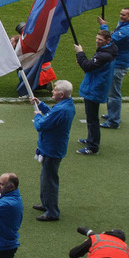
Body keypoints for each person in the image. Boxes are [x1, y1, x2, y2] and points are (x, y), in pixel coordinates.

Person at [30, 79, 75, 222]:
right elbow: (52, 116)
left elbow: (41, 125)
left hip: (51, 149)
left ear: (61, 94)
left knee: (49, 181)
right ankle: (46, 204)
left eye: (55, 90)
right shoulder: (66, 105)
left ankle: (52, 212)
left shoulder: (61, 109)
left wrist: (37, 115)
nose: (52, 91)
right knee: (45, 179)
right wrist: (41, 106)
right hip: (52, 147)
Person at [75, 29, 118, 155]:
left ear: (107, 41)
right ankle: (90, 139)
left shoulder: (103, 55)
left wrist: (80, 53)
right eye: (97, 39)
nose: (97, 42)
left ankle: (93, 146)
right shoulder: (109, 50)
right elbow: (91, 66)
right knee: (91, 117)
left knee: (92, 119)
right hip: (96, 87)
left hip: (94, 89)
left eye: (100, 40)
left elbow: (88, 67)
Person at [100, 7, 129, 129]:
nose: (121, 17)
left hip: (119, 66)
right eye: (121, 14)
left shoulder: (128, 30)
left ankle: (114, 121)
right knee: (111, 92)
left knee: (114, 94)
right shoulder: (124, 25)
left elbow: (110, 40)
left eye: (124, 15)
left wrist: (104, 27)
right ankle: (112, 115)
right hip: (117, 63)